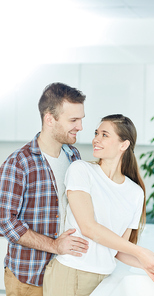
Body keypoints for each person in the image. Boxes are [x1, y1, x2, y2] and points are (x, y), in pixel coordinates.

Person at [43, 114, 154, 296]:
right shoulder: (81, 170)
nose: (96, 139)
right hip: (71, 274)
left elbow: (119, 249)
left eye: (105, 135)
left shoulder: (136, 192)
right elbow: (88, 227)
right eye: (97, 133)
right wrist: (141, 252)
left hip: (105, 279)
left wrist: (148, 266)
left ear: (123, 145)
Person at [0, 82, 89, 296]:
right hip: (29, 278)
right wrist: (55, 246)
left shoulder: (73, 156)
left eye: (81, 119)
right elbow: (4, 222)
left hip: (65, 274)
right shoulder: (19, 163)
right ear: (50, 119)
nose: (80, 127)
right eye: (73, 120)